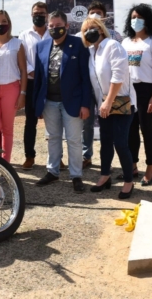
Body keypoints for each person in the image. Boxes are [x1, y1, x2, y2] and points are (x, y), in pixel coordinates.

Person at [34, 10, 91, 193]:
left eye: (58, 26)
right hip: (49, 102)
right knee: (53, 138)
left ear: (67, 26)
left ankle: (76, 176)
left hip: (73, 102)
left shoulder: (78, 44)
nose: (54, 29)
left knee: (74, 140)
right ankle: (52, 171)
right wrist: (38, 105)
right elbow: (39, 78)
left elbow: (85, 77)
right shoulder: (41, 46)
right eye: (51, 26)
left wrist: (85, 104)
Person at [82, 18, 137, 199]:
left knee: (120, 143)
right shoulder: (91, 51)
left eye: (93, 28)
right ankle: (105, 176)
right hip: (103, 105)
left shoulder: (112, 45)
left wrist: (108, 101)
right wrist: (102, 103)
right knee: (105, 142)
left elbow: (118, 75)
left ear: (101, 29)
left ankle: (129, 181)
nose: (90, 31)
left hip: (120, 104)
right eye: (86, 29)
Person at [75, 1, 123, 169]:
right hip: (88, 87)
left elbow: (119, 67)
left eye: (98, 13)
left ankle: (108, 160)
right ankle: (86, 155)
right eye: (92, 13)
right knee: (86, 124)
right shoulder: (80, 36)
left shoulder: (115, 37)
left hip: (107, 89)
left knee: (109, 126)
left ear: (104, 17)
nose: (95, 16)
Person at [122, 3, 152, 186]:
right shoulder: (125, 42)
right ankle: (133, 166)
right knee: (130, 131)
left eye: (139, 17)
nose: (135, 21)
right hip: (129, 91)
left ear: (147, 20)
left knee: (147, 130)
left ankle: (150, 168)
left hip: (146, 90)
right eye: (132, 17)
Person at [0, 10, 27, 163]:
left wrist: (23, 93)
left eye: (4, 21)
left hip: (11, 89)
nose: (1, 24)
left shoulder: (17, 44)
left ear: (9, 23)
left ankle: (5, 164)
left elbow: (23, 70)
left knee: (7, 129)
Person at [18, 1, 52, 169]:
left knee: (53, 121)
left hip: (51, 84)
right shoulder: (24, 35)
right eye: (35, 13)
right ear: (31, 15)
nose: (39, 16)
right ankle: (29, 156)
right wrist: (32, 72)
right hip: (32, 83)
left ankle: (55, 157)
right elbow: (22, 59)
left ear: (47, 15)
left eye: (42, 13)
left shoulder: (53, 34)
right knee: (30, 122)